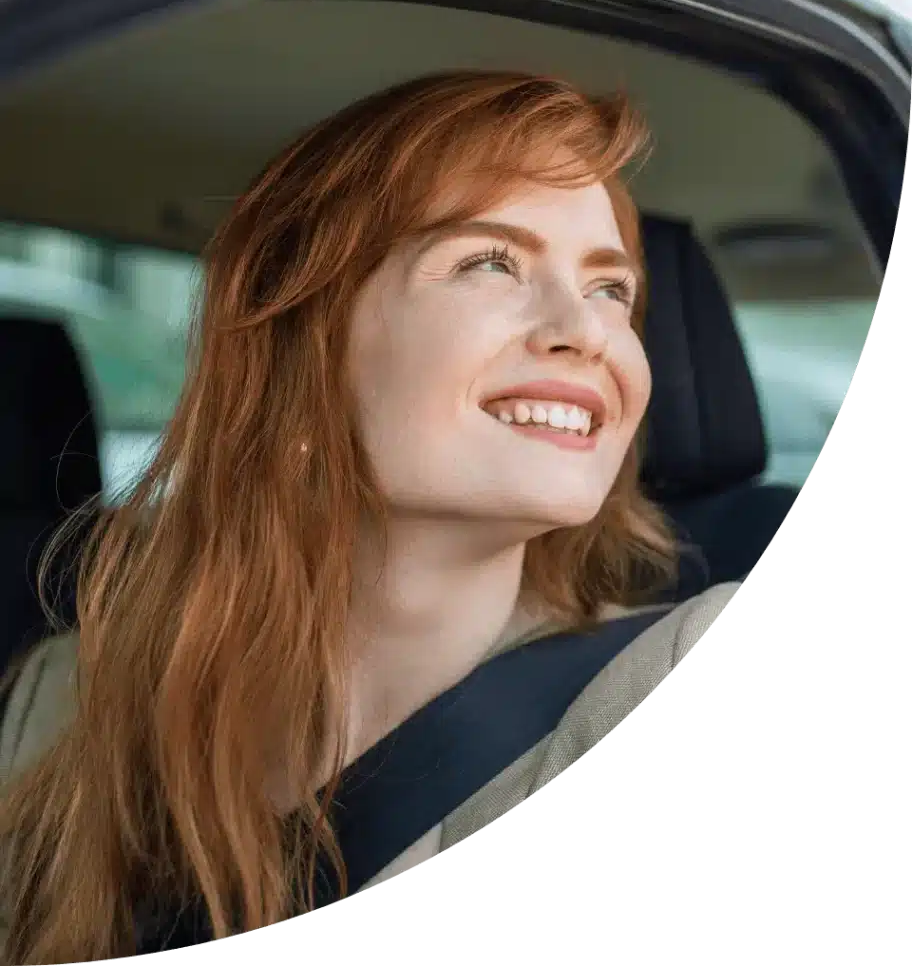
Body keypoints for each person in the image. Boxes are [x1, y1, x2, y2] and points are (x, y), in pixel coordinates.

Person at [0, 70, 741, 963]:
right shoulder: (68, 697)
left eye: (610, 289)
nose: (583, 330)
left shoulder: (667, 669)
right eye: (489, 262)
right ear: (304, 364)